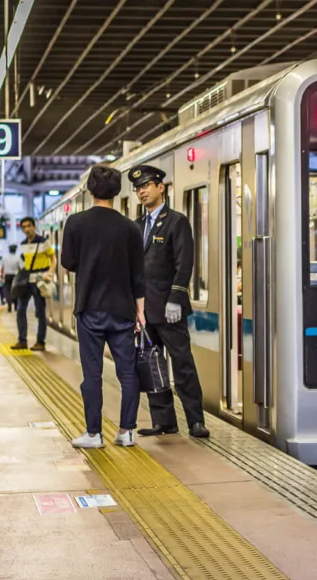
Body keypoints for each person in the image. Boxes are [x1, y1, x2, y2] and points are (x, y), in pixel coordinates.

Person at [62, 164, 145, 448]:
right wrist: (140, 312)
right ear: (118, 192)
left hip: (89, 309)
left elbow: (68, 263)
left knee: (92, 374)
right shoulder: (131, 228)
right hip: (122, 311)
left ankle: (93, 434)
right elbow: (138, 275)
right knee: (128, 372)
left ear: (90, 189)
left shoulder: (75, 223)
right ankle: (127, 431)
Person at [131, 164, 209, 439]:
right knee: (153, 365)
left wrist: (176, 297)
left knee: (182, 363)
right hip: (145, 311)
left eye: (146, 186)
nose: (141, 191)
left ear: (160, 187)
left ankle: (195, 420)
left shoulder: (176, 221)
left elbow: (184, 263)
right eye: (138, 188)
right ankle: (164, 421)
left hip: (169, 309)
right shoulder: (136, 226)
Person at [12, 217, 56, 351]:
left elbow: (53, 259)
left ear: (34, 226)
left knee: (40, 312)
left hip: (39, 280)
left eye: (29, 226)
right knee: (20, 310)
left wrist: (50, 273)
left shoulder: (43, 242)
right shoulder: (23, 244)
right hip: (26, 281)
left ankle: (40, 342)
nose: (27, 229)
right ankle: (22, 340)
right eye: (24, 227)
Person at [1, 244, 22, 312]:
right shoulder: (18, 258)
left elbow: (2, 267)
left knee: (7, 291)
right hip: (15, 276)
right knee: (15, 291)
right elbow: (21, 268)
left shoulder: (5, 257)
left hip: (7, 276)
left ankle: (9, 307)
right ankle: (16, 306)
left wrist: (2, 276)